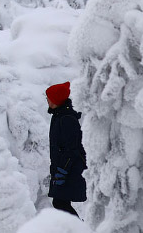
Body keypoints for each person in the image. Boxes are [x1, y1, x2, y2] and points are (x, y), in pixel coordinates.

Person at [46, 81, 87, 217]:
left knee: (60, 203)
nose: (47, 100)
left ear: (56, 100)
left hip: (69, 169)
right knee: (61, 203)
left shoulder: (67, 119)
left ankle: (78, 229)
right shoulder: (59, 115)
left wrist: (62, 171)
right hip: (63, 168)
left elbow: (72, 148)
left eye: (49, 97)